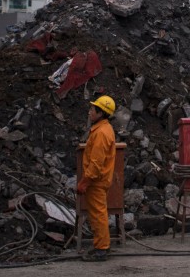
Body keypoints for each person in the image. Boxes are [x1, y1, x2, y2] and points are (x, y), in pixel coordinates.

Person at [77, 95, 116, 261]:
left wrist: (84, 182)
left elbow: (96, 164)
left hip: (96, 182)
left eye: (93, 109)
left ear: (101, 113)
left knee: (98, 214)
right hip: (99, 180)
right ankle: (102, 245)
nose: (89, 112)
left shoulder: (101, 133)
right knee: (98, 213)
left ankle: (101, 249)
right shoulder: (104, 129)